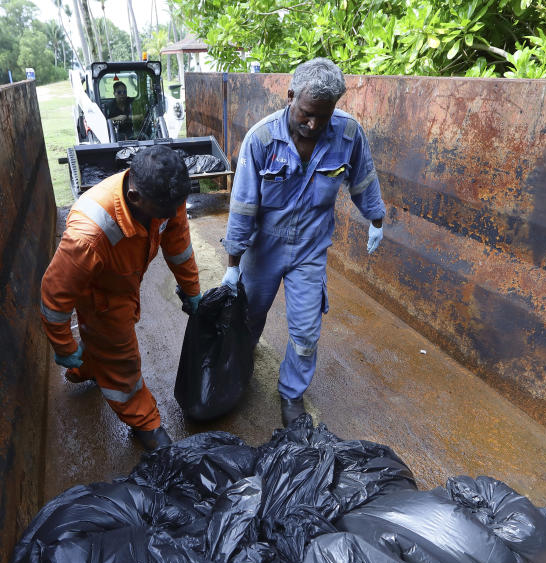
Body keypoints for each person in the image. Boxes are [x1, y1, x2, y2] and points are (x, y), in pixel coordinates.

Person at [220, 57, 386, 426]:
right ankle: (239, 370)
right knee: (247, 318)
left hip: (310, 249)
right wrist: (233, 266)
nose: (313, 125)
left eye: (323, 117)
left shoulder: (347, 135)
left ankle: (292, 393)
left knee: (306, 331)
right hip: (263, 250)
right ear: (291, 95)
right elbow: (243, 206)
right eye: (307, 114)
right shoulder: (261, 140)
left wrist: (376, 218)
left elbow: (363, 179)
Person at [40, 145, 201, 451]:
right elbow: (53, 295)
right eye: (165, 211)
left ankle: (85, 367)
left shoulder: (165, 197)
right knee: (122, 359)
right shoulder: (89, 235)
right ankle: (144, 422)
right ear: (135, 198)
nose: (172, 215)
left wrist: (192, 289)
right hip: (102, 295)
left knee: (100, 343)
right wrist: (62, 345)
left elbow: (178, 244)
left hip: (125, 276)